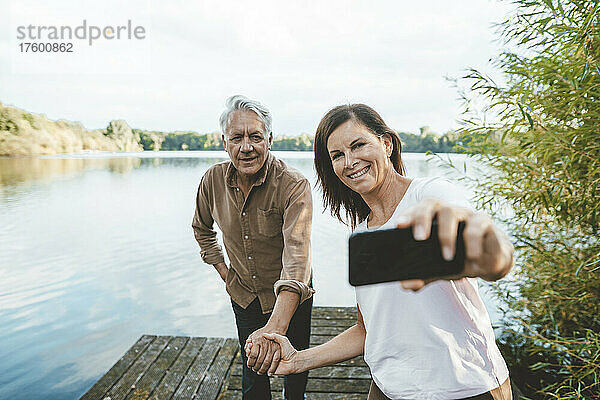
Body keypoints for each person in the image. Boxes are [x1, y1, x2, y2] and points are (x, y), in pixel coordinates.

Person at [250, 104, 514, 400]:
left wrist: (490, 244)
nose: (350, 161)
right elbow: (367, 330)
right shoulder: (362, 234)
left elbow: (492, 259)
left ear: (386, 143)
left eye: (358, 144)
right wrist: (298, 360)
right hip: (387, 389)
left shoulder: (430, 195)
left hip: (463, 387)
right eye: (337, 155)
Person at [192, 95, 314, 400]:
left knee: (295, 372)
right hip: (244, 295)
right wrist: (224, 271)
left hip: (292, 299)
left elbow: (297, 258)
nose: (246, 147)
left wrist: (274, 328)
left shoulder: (293, 185)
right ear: (224, 142)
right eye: (237, 138)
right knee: (253, 377)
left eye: (255, 137)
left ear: (269, 139)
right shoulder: (212, 181)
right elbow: (201, 228)